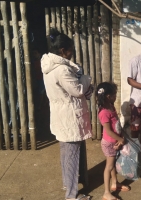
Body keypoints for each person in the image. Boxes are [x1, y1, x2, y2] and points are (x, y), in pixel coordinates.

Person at [41, 28, 93, 200]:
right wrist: (86, 78)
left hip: (60, 114)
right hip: (70, 116)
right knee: (72, 155)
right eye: (70, 50)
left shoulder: (49, 66)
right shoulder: (62, 70)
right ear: (63, 51)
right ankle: (72, 195)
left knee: (65, 153)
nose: (72, 54)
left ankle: (67, 183)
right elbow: (77, 90)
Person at [97, 82, 131, 200]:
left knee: (113, 164)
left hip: (115, 141)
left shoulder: (111, 107)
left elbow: (116, 125)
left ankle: (114, 184)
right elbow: (109, 131)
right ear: (108, 96)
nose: (116, 96)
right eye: (114, 94)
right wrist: (121, 139)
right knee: (109, 167)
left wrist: (120, 138)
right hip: (109, 143)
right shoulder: (104, 112)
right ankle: (106, 193)